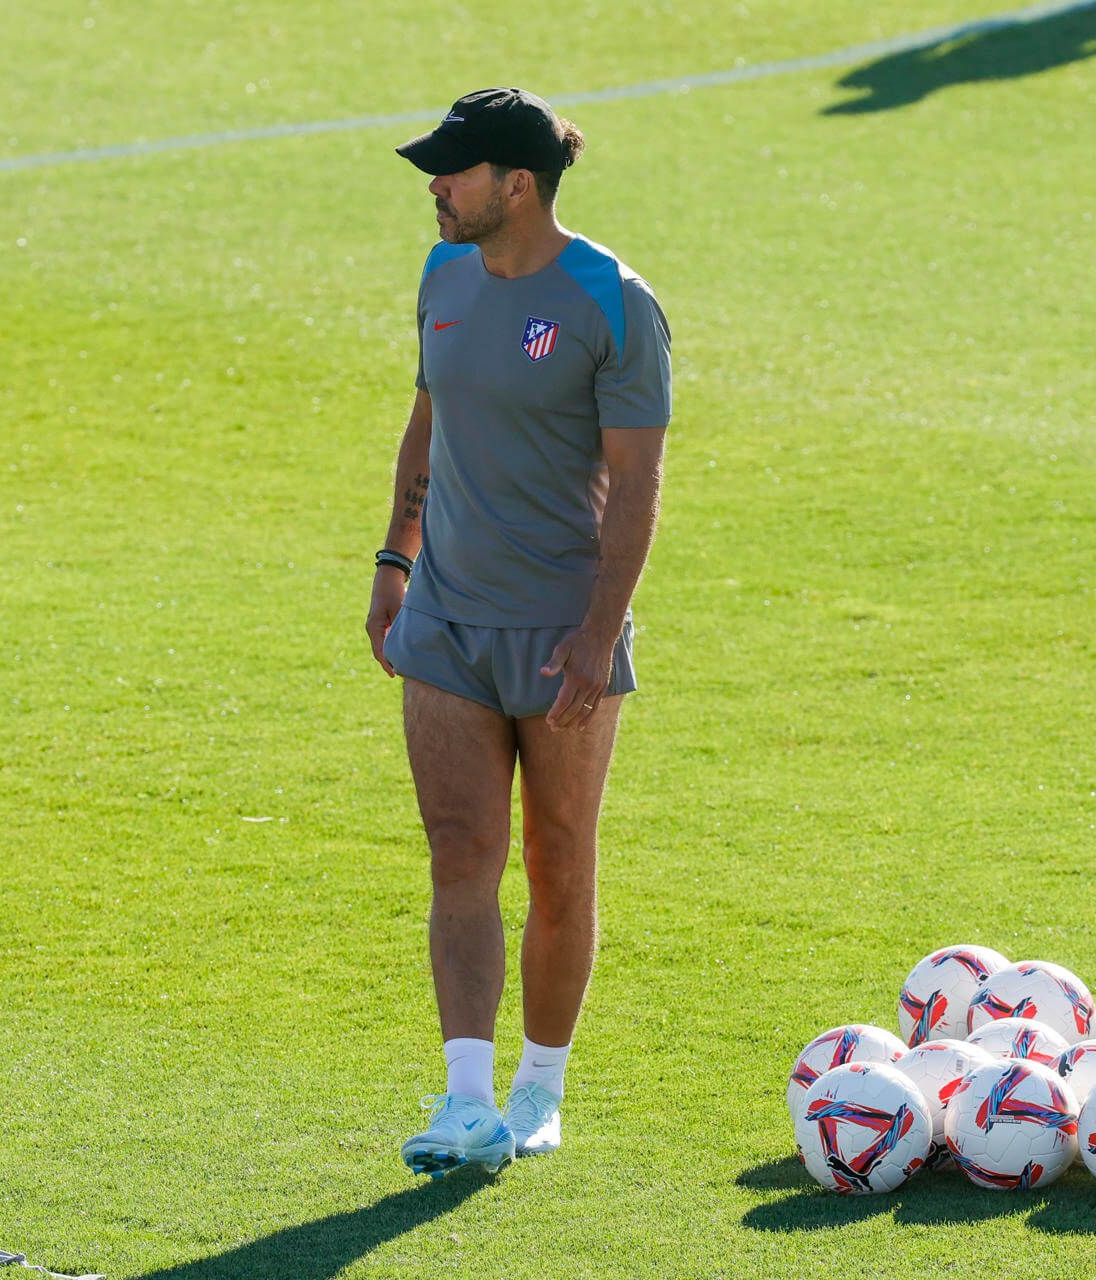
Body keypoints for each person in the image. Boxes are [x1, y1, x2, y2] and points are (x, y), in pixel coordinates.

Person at [364, 87, 672, 1176]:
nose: (434, 188)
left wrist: (599, 633)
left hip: (558, 632)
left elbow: (637, 486)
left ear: (517, 185)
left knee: (556, 857)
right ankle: (462, 1099)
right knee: (460, 852)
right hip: (445, 614)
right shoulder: (444, 277)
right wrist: (395, 560)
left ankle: (539, 1089)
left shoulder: (612, 300)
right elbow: (427, 422)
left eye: (451, 172)